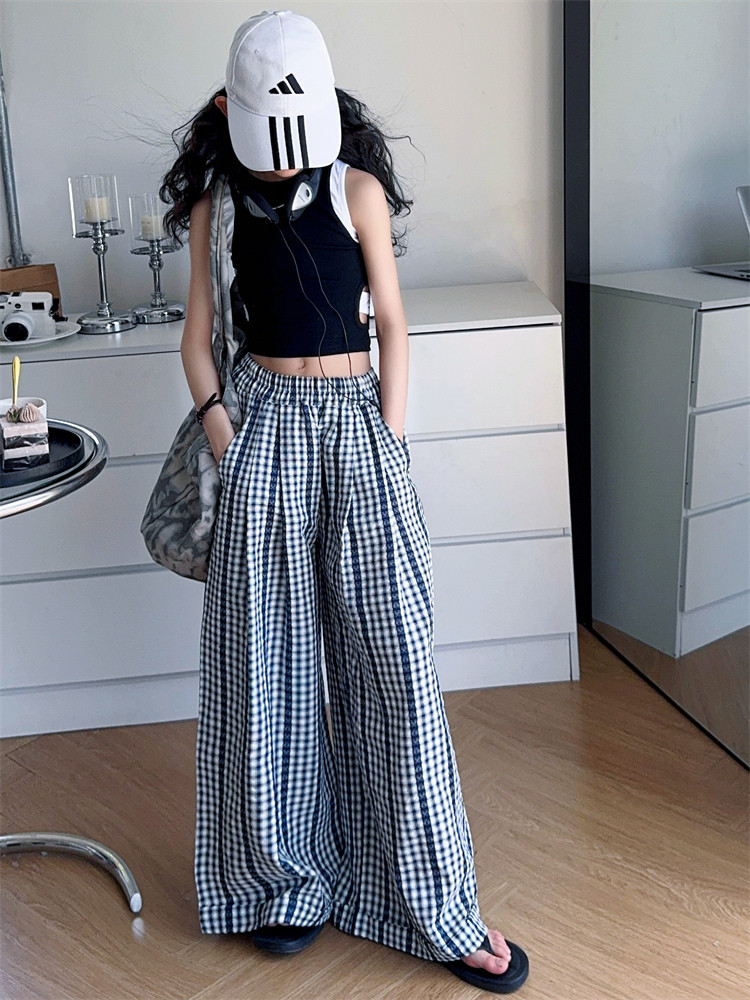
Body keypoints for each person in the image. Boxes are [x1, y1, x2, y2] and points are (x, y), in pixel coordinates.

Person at [160, 10, 529, 994]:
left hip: (359, 427)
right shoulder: (216, 208)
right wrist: (224, 435)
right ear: (231, 113)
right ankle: (284, 883)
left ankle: (432, 902)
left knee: (395, 662)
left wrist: (391, 440)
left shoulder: (356, 188)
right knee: (264, 667)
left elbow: (394, 324)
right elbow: (197, 334)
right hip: (263, 428)